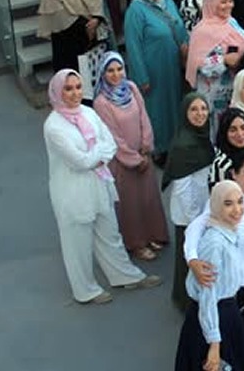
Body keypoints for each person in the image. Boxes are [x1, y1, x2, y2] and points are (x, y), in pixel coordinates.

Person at [43, 70, 161, 305]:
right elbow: (80, 162)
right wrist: (98, 155)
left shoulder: (88, 112)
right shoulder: (53, 126)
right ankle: (86, 290)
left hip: (99, 183)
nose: (75, 93)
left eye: (78, 87)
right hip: (72, 192)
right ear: (57, 92)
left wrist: (95, 155)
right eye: (68, 89)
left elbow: (110, 144)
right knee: (77, 244)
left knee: (110, 233)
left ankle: (125, 276)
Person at [183, 155, 244, 357]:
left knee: (241, 343)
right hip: (238, 292)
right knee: (228, 354)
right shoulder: (216, 221)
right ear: (234, 174)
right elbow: (194, 230)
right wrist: (193, 260)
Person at [92, 51, 169, 261]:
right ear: (103, 74)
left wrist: (146, 147)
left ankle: (154, 234)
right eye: (110, 71)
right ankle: (136, 243)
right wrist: (134, 159)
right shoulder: (101, 102)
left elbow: (144, 117)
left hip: (143, 154)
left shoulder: (132, 88)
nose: (116, 75)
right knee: (130, 203)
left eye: (119, 69)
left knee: (149, 198)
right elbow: (112, 136)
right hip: (122, 162)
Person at [173, 180, 244, 371]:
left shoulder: (228, 231)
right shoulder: (214, 244)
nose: (237, 209)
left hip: (227, 312)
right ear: (215, 205)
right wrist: (214, 345)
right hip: (213, 317)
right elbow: (208, 296)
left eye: (240, 202)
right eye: (228, 203)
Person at [124, 0, 189, 161]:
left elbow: (178, 23)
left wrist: (186, 46)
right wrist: (141, 76)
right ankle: (159, 148)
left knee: (174, 104)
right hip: (153, 67)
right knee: (158, 108)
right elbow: (133, 45)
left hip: (172, 64)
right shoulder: (136, 9)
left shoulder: (167, 0)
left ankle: (176, 143)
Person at [163, 93, 214, 310]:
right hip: (190, 215)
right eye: (194, 109)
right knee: (190, 258)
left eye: (203, 108)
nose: (200, 114)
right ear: (185, 113)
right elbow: (183, 189)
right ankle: (187, 302)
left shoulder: (201, 136)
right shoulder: (184, 146)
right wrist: (197, 221)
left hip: (202, 208)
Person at [185, 0, 244, 135]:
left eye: (230, 1)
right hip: (212, 95)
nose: (228, 6)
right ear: (212, 3)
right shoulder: (202, 30)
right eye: (223, 2)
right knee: (215, 132)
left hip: (234, 90)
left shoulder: (231, 22)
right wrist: (223, 60)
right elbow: (198, 65)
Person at [210, 108, 244, 189]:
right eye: (233, 130)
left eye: (243, 128)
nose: (240, 134)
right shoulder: (222, 165)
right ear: (224, 133)